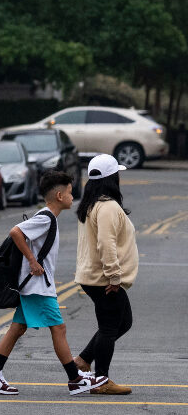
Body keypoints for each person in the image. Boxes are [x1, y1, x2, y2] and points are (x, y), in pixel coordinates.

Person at [0, 171, 108, 396]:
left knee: (18, 328)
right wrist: (32, 260)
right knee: (58, 328)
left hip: (36, 285)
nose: (72, 196)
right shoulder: (46, 218)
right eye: (69, 192)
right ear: (59, 195)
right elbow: (15, 231)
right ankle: (74, 378)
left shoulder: (49, 218)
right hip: (37, 286)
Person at [73, 154, 138, 395]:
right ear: (113, 178)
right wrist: (114, 277)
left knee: (123, 321)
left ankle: (83, 360)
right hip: (104, 279)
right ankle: (101, 380)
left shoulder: (92, 204)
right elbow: (106, 243)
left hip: (94, 276)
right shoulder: (108, 206)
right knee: (110, 326)